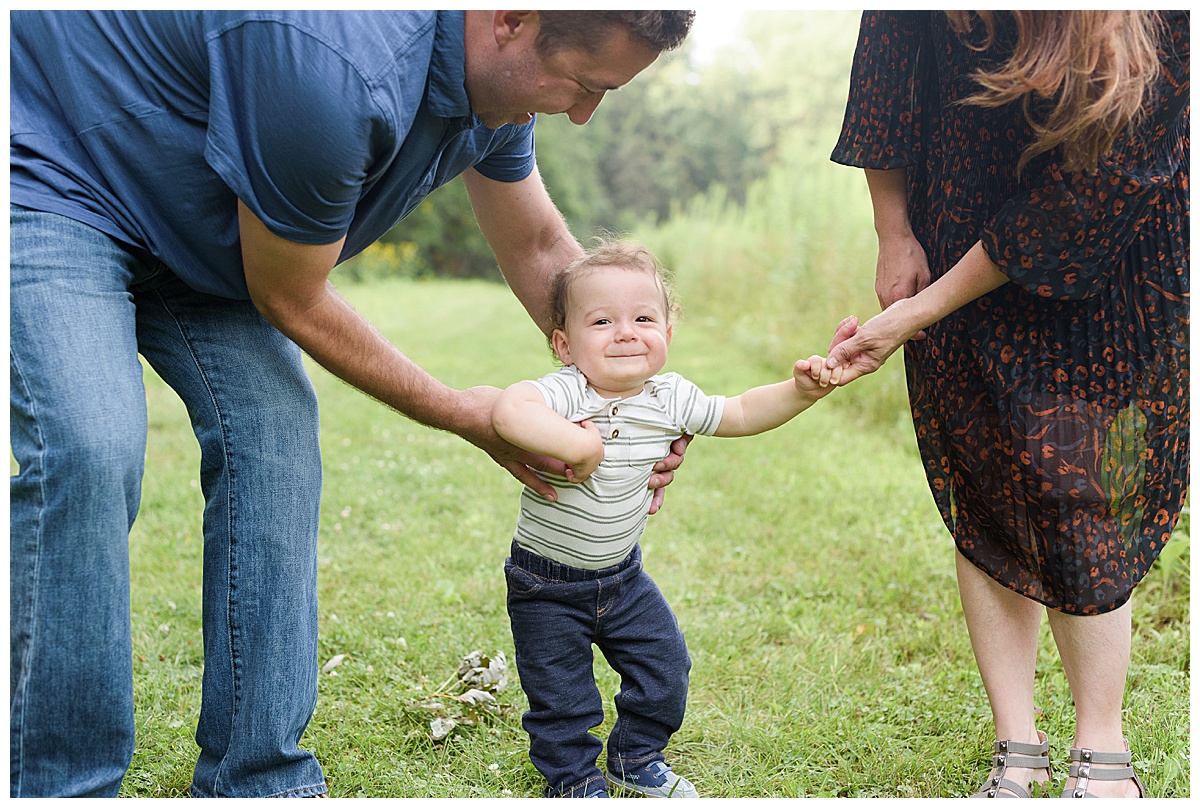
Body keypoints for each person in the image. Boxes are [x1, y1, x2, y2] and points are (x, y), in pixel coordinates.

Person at [9, 10, 696, 798]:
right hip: (57, 171)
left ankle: (258, 777)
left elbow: (542, 248)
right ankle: (60, 787)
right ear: (512, 19)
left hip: (202, 218)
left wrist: (635, 401)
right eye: (582, 84)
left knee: (275, 443)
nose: (581, 113)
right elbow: (289, 292)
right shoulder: (334, 62)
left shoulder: (495, 95)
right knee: (90, 448)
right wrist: (459, 410)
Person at [827, 10, 1189, 799]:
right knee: (984, 465)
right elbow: (885, 76)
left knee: (1086, 482)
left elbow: (1103, 184)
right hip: (953, 205)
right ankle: (1016, 744)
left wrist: (919, 315)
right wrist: (894, 230)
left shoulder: (1152, 23)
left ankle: (1102, 744)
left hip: (1111, 247)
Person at [491, 240, 846, 798]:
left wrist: (800, 391)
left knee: (664, 668)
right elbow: (510, 411)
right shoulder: (565, 392)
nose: (626, 332)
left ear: (668, 334)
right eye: (602, 321)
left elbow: (743, 412)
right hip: (547, 583)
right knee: (562, 696)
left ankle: (635, 755)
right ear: (564, 345)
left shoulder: (670, 397)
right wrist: (579, 449)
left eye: (643, 318)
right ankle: (573, 778)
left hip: (623, 577)